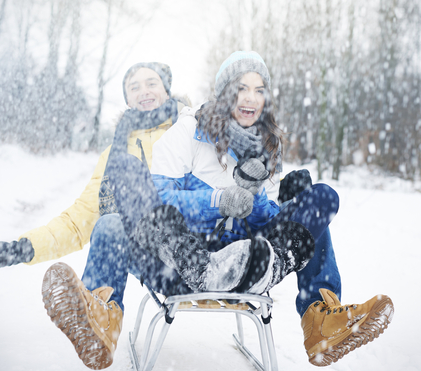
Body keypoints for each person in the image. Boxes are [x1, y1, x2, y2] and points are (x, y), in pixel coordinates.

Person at [148, 51, 395, 367]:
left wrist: (276, 200)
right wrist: (218, 202)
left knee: (318, 196)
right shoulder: (189, 132)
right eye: (241, 88)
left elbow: (261, 217)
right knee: (301, 207)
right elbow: (158, 199)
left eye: (259, 89)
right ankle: (314, 313)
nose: (251, 97)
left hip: (255, 251)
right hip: (198, 255)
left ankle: (320, 316)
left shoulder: (260, 145)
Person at [0, 62, 186, 369]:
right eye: (135, 86)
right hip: (154, 263)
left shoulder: (191, 132)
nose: (144, 91)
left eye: (151, 83)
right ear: (128, 100)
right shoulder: (114, 153)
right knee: (110, 224)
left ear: (167, 90)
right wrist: (22, 247)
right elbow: (80, 219)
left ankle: (98, 315)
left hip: (195, 256)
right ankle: (100, 320)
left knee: (124, 222)